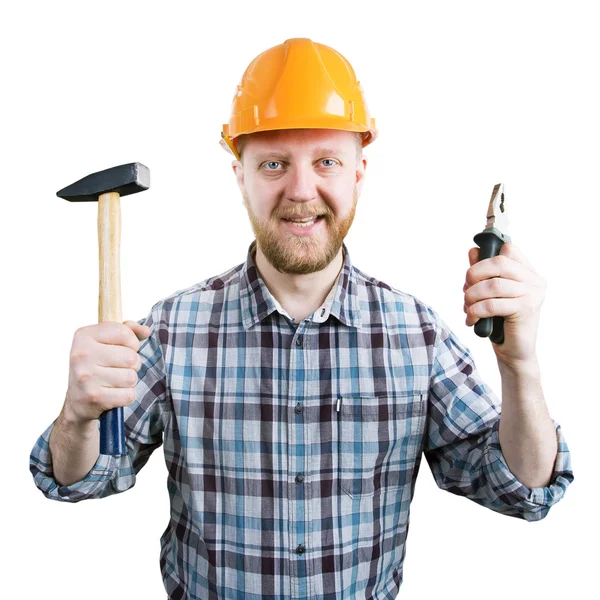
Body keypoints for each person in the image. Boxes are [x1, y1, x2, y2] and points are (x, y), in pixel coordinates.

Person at [30, 38, 573, 599]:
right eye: (273, 164)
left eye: (326, 162)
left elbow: (524, 489)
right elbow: (80, 480)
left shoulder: (418, 336)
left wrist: (522, 365)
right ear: (239, 174)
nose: (300, 190)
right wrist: (78, 414)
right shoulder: (172, 331)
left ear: (359, 171)